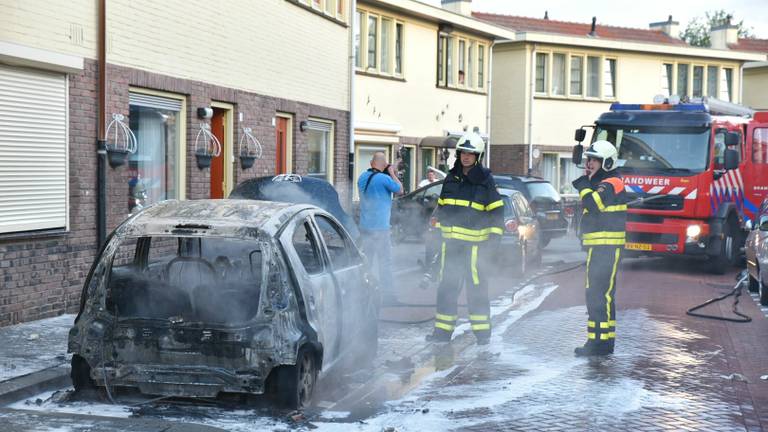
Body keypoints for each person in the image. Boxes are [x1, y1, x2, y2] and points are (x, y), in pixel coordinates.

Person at [426, 132, 504, 345]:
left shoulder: (485, 180)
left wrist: (493, 244)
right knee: (447, 288)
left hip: (475, 249)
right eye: (463, 153)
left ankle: (482, 335)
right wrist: (436, 235)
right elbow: (442, 208)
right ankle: (442, 333)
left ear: (477, 156)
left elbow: (497, 213)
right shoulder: (451, 178)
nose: (466, 157)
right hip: (450, 246)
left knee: (477, 290)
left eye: (471, 154)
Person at [571, 140, 627, 357]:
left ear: (607, 162)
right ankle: (602, 341)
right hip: (600, 247)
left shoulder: (612, 182)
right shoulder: (603, 182)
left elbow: (593, 205)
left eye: (594, 160)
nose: (589, 163)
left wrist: (584, 185)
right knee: (601, 294)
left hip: (606, 248)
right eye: (588, 159)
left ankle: (599, 344)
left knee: (597, 294)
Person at [357, 151, 403, 304]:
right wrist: (391, 172)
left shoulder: (362, 178)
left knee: (366, 263)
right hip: (380, 229)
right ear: (384, 165)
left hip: (365, 227)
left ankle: (363, 294)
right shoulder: (384, 179)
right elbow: (400, 190)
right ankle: (389, 297)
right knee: (385, 263)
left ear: (371, 163)